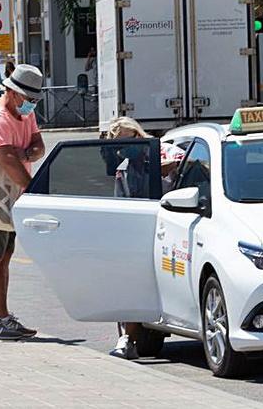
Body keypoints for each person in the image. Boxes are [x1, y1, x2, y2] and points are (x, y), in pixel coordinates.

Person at [0, 64, 45, 341]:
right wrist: (30, 184)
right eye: (29, 99)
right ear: (13, 93)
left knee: (3, 258)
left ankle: (1, 316)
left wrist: (24, 152)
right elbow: (5, 156)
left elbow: (38, 146)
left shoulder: (24, 115)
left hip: (9, 193)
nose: (32, 106)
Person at [103, 116, 184, 359]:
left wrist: (168, 169)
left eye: (129, 140)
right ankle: (127, 339)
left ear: (139, 135)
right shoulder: (125, 169)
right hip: (145, 233)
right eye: (119, 146)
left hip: (179, 226)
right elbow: (123, 208)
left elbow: (195, 172)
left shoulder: (169, 152)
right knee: (130, 280)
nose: (125, 149)